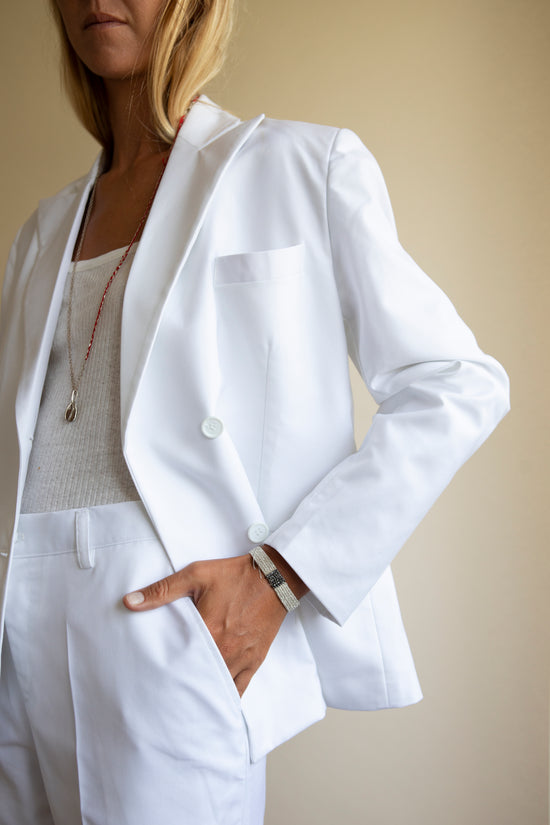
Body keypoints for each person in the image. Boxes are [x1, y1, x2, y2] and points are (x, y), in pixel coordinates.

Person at [0, 1, 510, 823]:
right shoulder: (42, 230)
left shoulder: (299, 166)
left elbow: (456, 381)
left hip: (169, 621)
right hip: (17, 633)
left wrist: (282, 573)